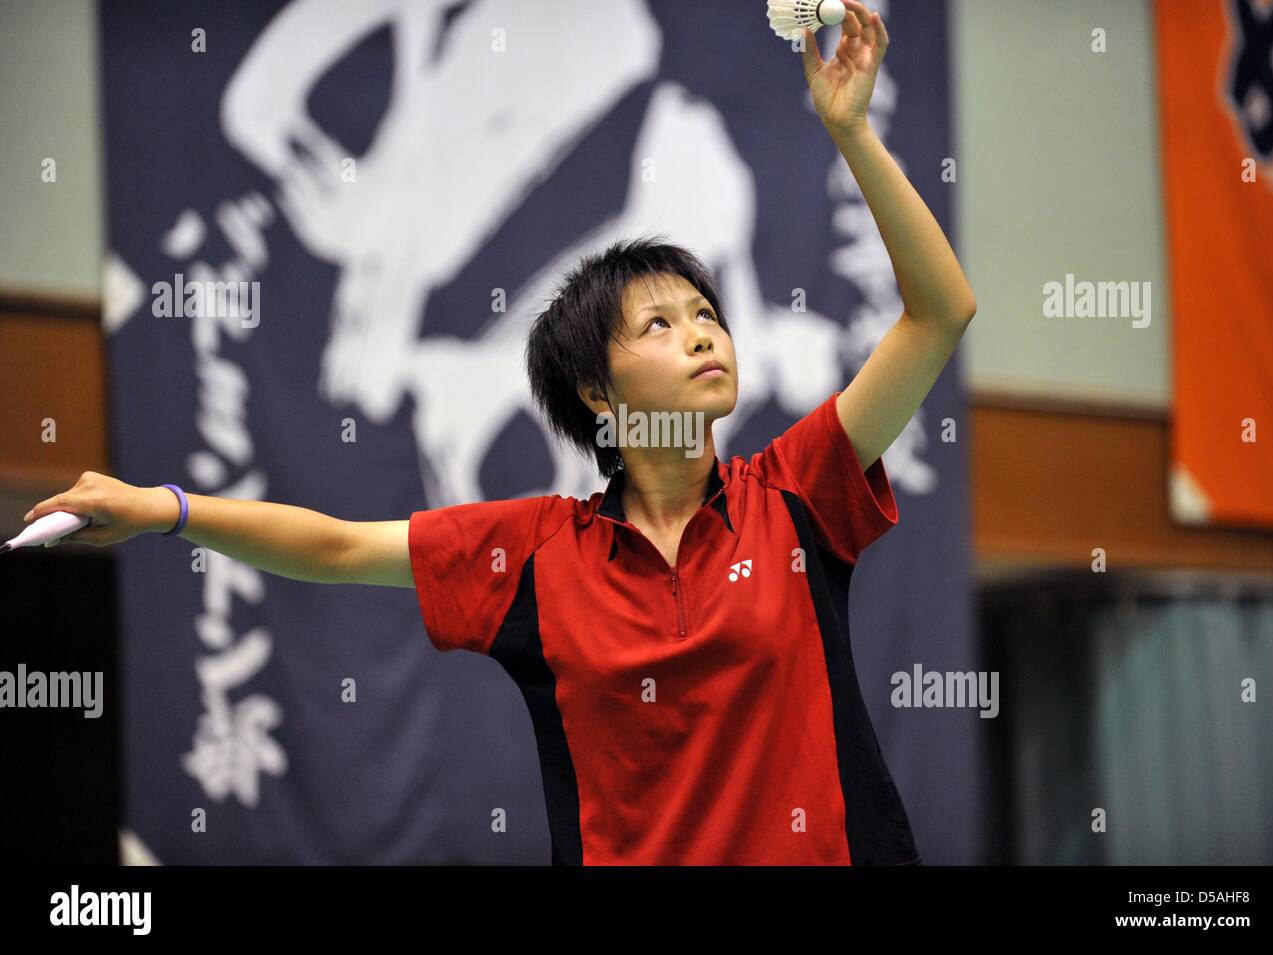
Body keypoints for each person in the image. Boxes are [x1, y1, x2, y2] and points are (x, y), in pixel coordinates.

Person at [24, 1, 974, 864]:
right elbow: (340, 545)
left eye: (705, 314)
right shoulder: (536, 555)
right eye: (659, 324)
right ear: (598, 394)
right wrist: (165, 508)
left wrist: (848, 128)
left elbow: (938, 314)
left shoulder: (796, 491)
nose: (702, 334)